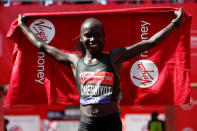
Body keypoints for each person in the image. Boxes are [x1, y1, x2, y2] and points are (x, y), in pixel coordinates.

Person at [17, 8, 184, 131]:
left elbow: (149, 43)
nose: (93, 39)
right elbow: (42, 46)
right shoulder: (75, 61)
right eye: (88, 35)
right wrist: (22, 25)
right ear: (81, 38)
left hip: (111, 123)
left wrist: (175, 24)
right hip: (87, 124)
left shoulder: (114, 56)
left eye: (97, 35)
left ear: (104, 37)